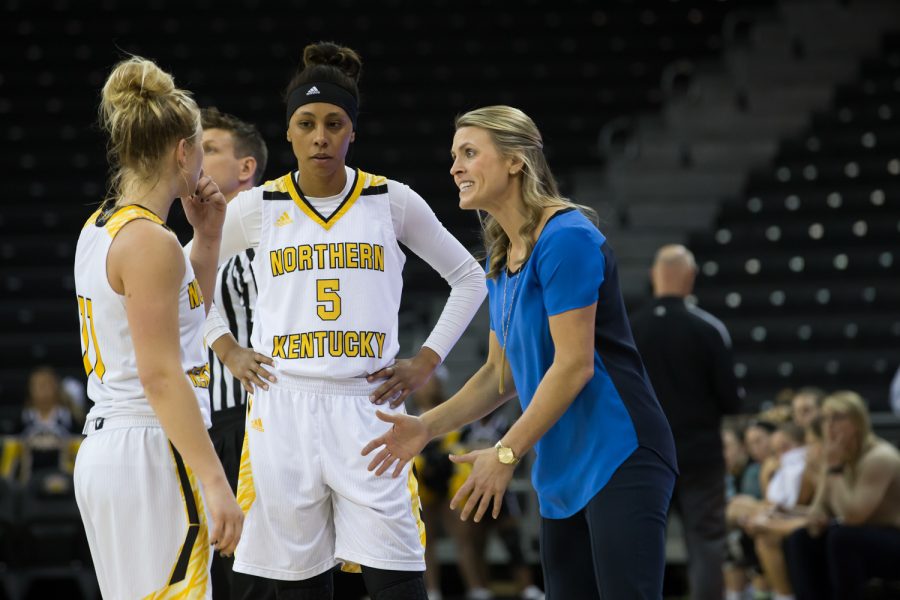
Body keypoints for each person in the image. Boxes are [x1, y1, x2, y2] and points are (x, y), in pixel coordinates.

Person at [199, 42, 486, 599]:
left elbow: (471, 277)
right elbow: (190, 280)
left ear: (352, 130)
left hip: (368, 408)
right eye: (306, 123)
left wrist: (428, 359)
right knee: (298, 586)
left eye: (334, 123)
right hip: (284, 406)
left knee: (397, 578)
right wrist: (226, 347)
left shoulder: (391, 199)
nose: (320, 136)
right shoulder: (257, 207)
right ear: (289, 133)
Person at [363, 105, 677, 599]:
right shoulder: (500, 252)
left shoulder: (567, 237)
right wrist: (426, 428)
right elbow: (499, 374)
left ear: (515, 161)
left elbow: (574, 365)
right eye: (453, 156)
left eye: (469, 153)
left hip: (619, 451)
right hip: (560, 462)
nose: (455, 168)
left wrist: (507, 451)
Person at [72, 56, 243, 599]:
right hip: (150, 447)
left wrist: (208, 239)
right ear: (182, 151)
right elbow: (162, 375)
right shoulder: (152, 243)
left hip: (110, 449)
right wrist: (216, 481)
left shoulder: (100, 226)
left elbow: (181, 318)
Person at [629, 243, 743, 600]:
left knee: (643, 546)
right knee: (707, 541)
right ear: (691, 277)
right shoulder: (709, 329)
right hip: (700, 456)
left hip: (643, 455)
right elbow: (730, 399)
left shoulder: (630, 329)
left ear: (653, 276)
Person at [198, 107, 275, 600]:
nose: (195, 160)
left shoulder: (264, 235)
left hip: (254, 418)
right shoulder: (204, 240)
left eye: (209, 150)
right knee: (230, 570)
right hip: (216, 420)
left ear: (245, 168)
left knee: (254, 570)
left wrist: (227, 348)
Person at [784, 391, 900, 599]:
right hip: (862, 535)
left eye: (837, 418)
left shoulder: (879, 457)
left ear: (857, 422)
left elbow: (854, 518)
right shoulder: (839, 457)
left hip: (892, 538)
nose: (829, 425)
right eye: (825, 418)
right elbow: (817, 512)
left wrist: (834, 470)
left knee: (842, 538)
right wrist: (816, 519)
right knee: (798, 539)